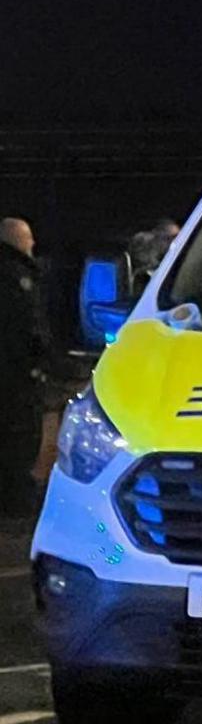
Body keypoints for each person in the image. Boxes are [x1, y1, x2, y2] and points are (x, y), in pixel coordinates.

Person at [0, 217, 46, 518]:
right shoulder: (16, 277)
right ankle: (15, 501)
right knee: (19, 435)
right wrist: (42, 360)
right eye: (28, 238)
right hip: (15, 375)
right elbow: (27, 327)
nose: (32, 244)